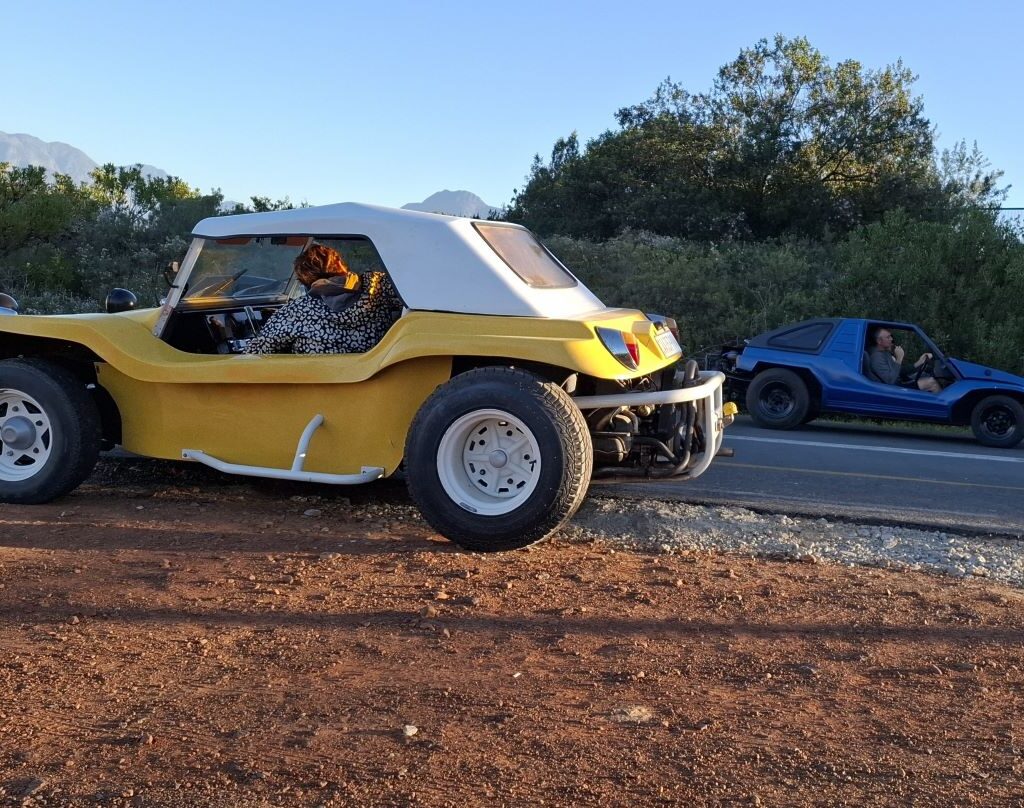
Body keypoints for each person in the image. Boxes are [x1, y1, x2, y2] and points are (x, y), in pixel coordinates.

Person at [245, 244, 403, 355]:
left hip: (322, 389)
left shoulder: (296, 312)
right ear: (340, 263)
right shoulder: (377, 286)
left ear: (304, 279)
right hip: (376, 383)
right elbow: (412, 297)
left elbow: (255, 353)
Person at [868, 327, 941, 393]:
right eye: (888, 337)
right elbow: (891, 381)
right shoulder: (876, 358)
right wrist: (899, 358)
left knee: (925, 374)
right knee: (931, 383)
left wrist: (919, 362)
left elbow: (899, 371)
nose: (891, 339)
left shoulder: (884, 352)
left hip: (899, 383)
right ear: (879, 341)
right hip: (895, 390)